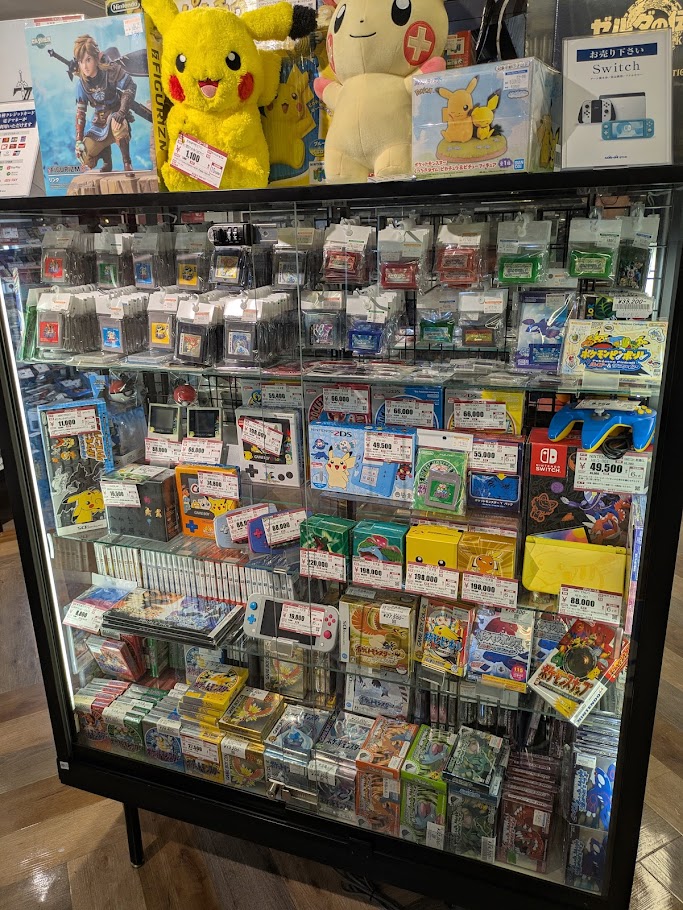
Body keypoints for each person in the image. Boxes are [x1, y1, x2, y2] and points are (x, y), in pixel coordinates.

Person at [73, 34, 136, 173]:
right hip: (99, 123)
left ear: (97, 57)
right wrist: (78, 140)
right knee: (84, 156)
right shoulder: (81, 85)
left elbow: (130, 86)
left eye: (88, 60)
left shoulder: (111, 71)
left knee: (117, 124)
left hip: (116, 115)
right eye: (81, 62)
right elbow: (80, 113)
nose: (85, 66)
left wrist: (122, 112)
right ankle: (107, 161)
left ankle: (127, 163)